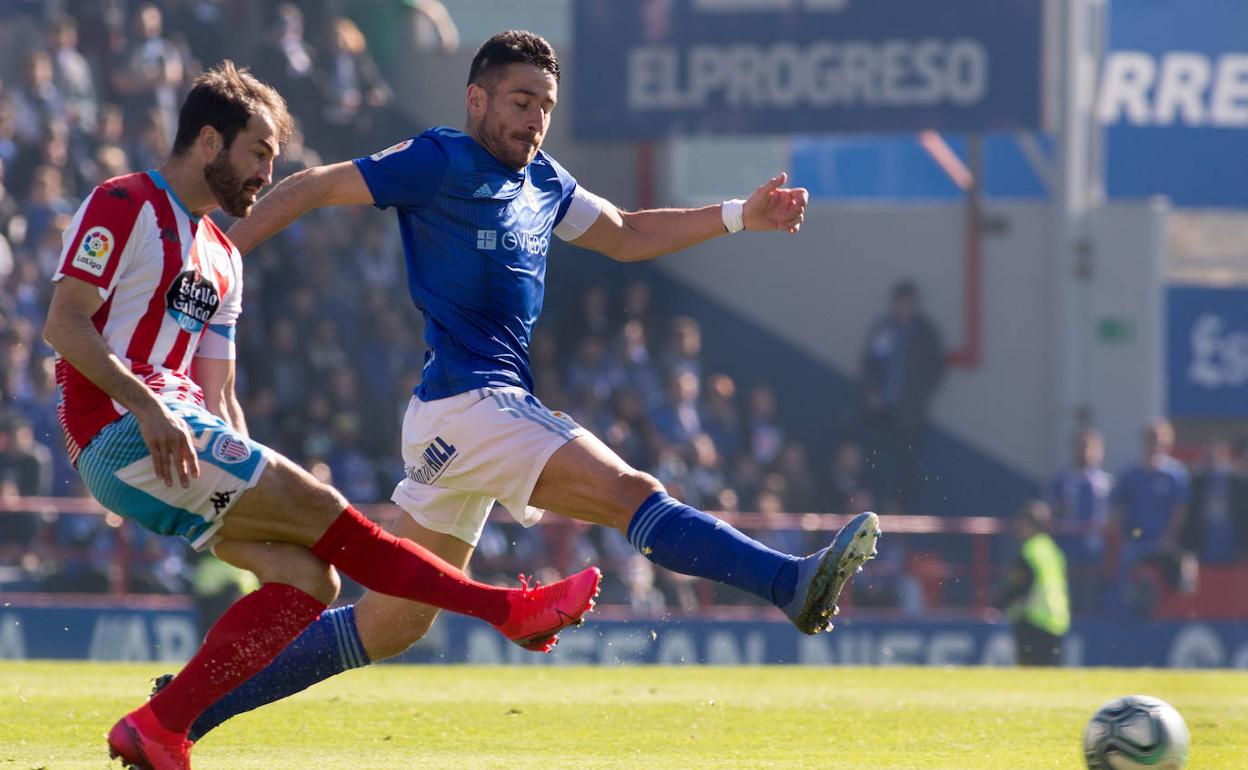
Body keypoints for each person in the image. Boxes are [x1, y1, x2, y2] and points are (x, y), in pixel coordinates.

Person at [172, 30, 881, 745]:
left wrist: (738, 216)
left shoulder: (544, 181)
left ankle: (186, 706)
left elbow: (628, 233)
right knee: (629, 493)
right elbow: (317, 185)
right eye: (519, 101)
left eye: (545, 105)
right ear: (476, 97)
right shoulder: (439, 157)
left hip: (456, 419)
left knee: (388, 625)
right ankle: (788, 583)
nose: (533, 119)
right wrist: (212, 259)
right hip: (472, 402)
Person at [42, 61, 601, 770]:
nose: (266, 177)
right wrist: (149, 407)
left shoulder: (223, 257)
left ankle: (162, 726)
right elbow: (64, 326)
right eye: (258, 155)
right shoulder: (122, 203)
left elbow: (219, 395)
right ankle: (504, 610)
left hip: (184, 446)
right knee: (326, 508)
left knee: (312, 581)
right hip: (124, 434)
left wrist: (243, 483)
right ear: (209, 142)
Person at [852, 279, 946, 513]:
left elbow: (935, 369)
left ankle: (899, 508)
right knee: (875, 461)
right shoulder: (884, 328)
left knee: (907, 466)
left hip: (909, 415)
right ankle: (871, 507)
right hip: (879, 411)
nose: (902, 307)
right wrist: (872, 391)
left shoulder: (925, 333)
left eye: (906, 302)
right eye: (899, 302)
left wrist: (915, 396)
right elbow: (869, 363)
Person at [1110, 419, 1189, 612]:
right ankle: (1123, 614)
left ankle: (1176, 616)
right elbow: (1119, 510)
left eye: (1159, 438)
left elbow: (1180, 510)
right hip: (1136, 541)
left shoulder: (1175, 474)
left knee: (1180, 575)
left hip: (1164, 542)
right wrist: (1122, 537)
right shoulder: (1130, 475)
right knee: (1123, 572)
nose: (1154, 443)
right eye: (1150, 438)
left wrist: (1169, 538)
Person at [996, 500, 1070, 666]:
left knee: (1027, 674)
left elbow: (1020, 585)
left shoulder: (1029, 550)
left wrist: (1001, 603)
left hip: (1032, 621)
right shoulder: (1051, 548)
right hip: (1056, 620)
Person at [1047, 427, 1112, 610]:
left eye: (1091, 447)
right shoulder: (1061, 479)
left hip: (1095, 548)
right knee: (1066, 591)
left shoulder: (1106, 483)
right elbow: (1050, 510)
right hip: (1067, 546)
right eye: (1081, 447)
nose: (1086, 452)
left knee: (1093, 593)